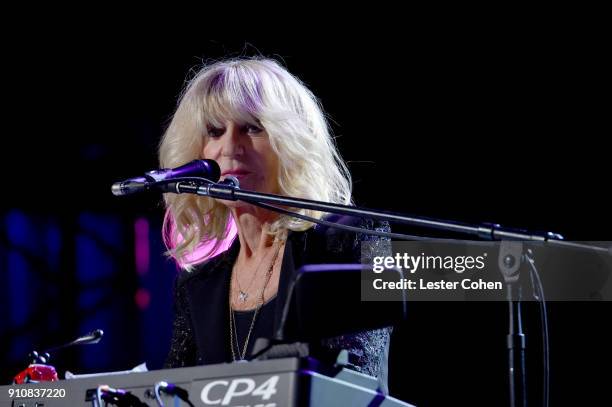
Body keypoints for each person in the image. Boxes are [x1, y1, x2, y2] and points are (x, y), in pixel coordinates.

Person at [159, 57, 392, 391]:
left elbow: (356, 384)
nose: (229, 148)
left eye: (252, 128)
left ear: (291, 140)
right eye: (214, 131)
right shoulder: (198, 285)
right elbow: (171, 394)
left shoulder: (351, 238)